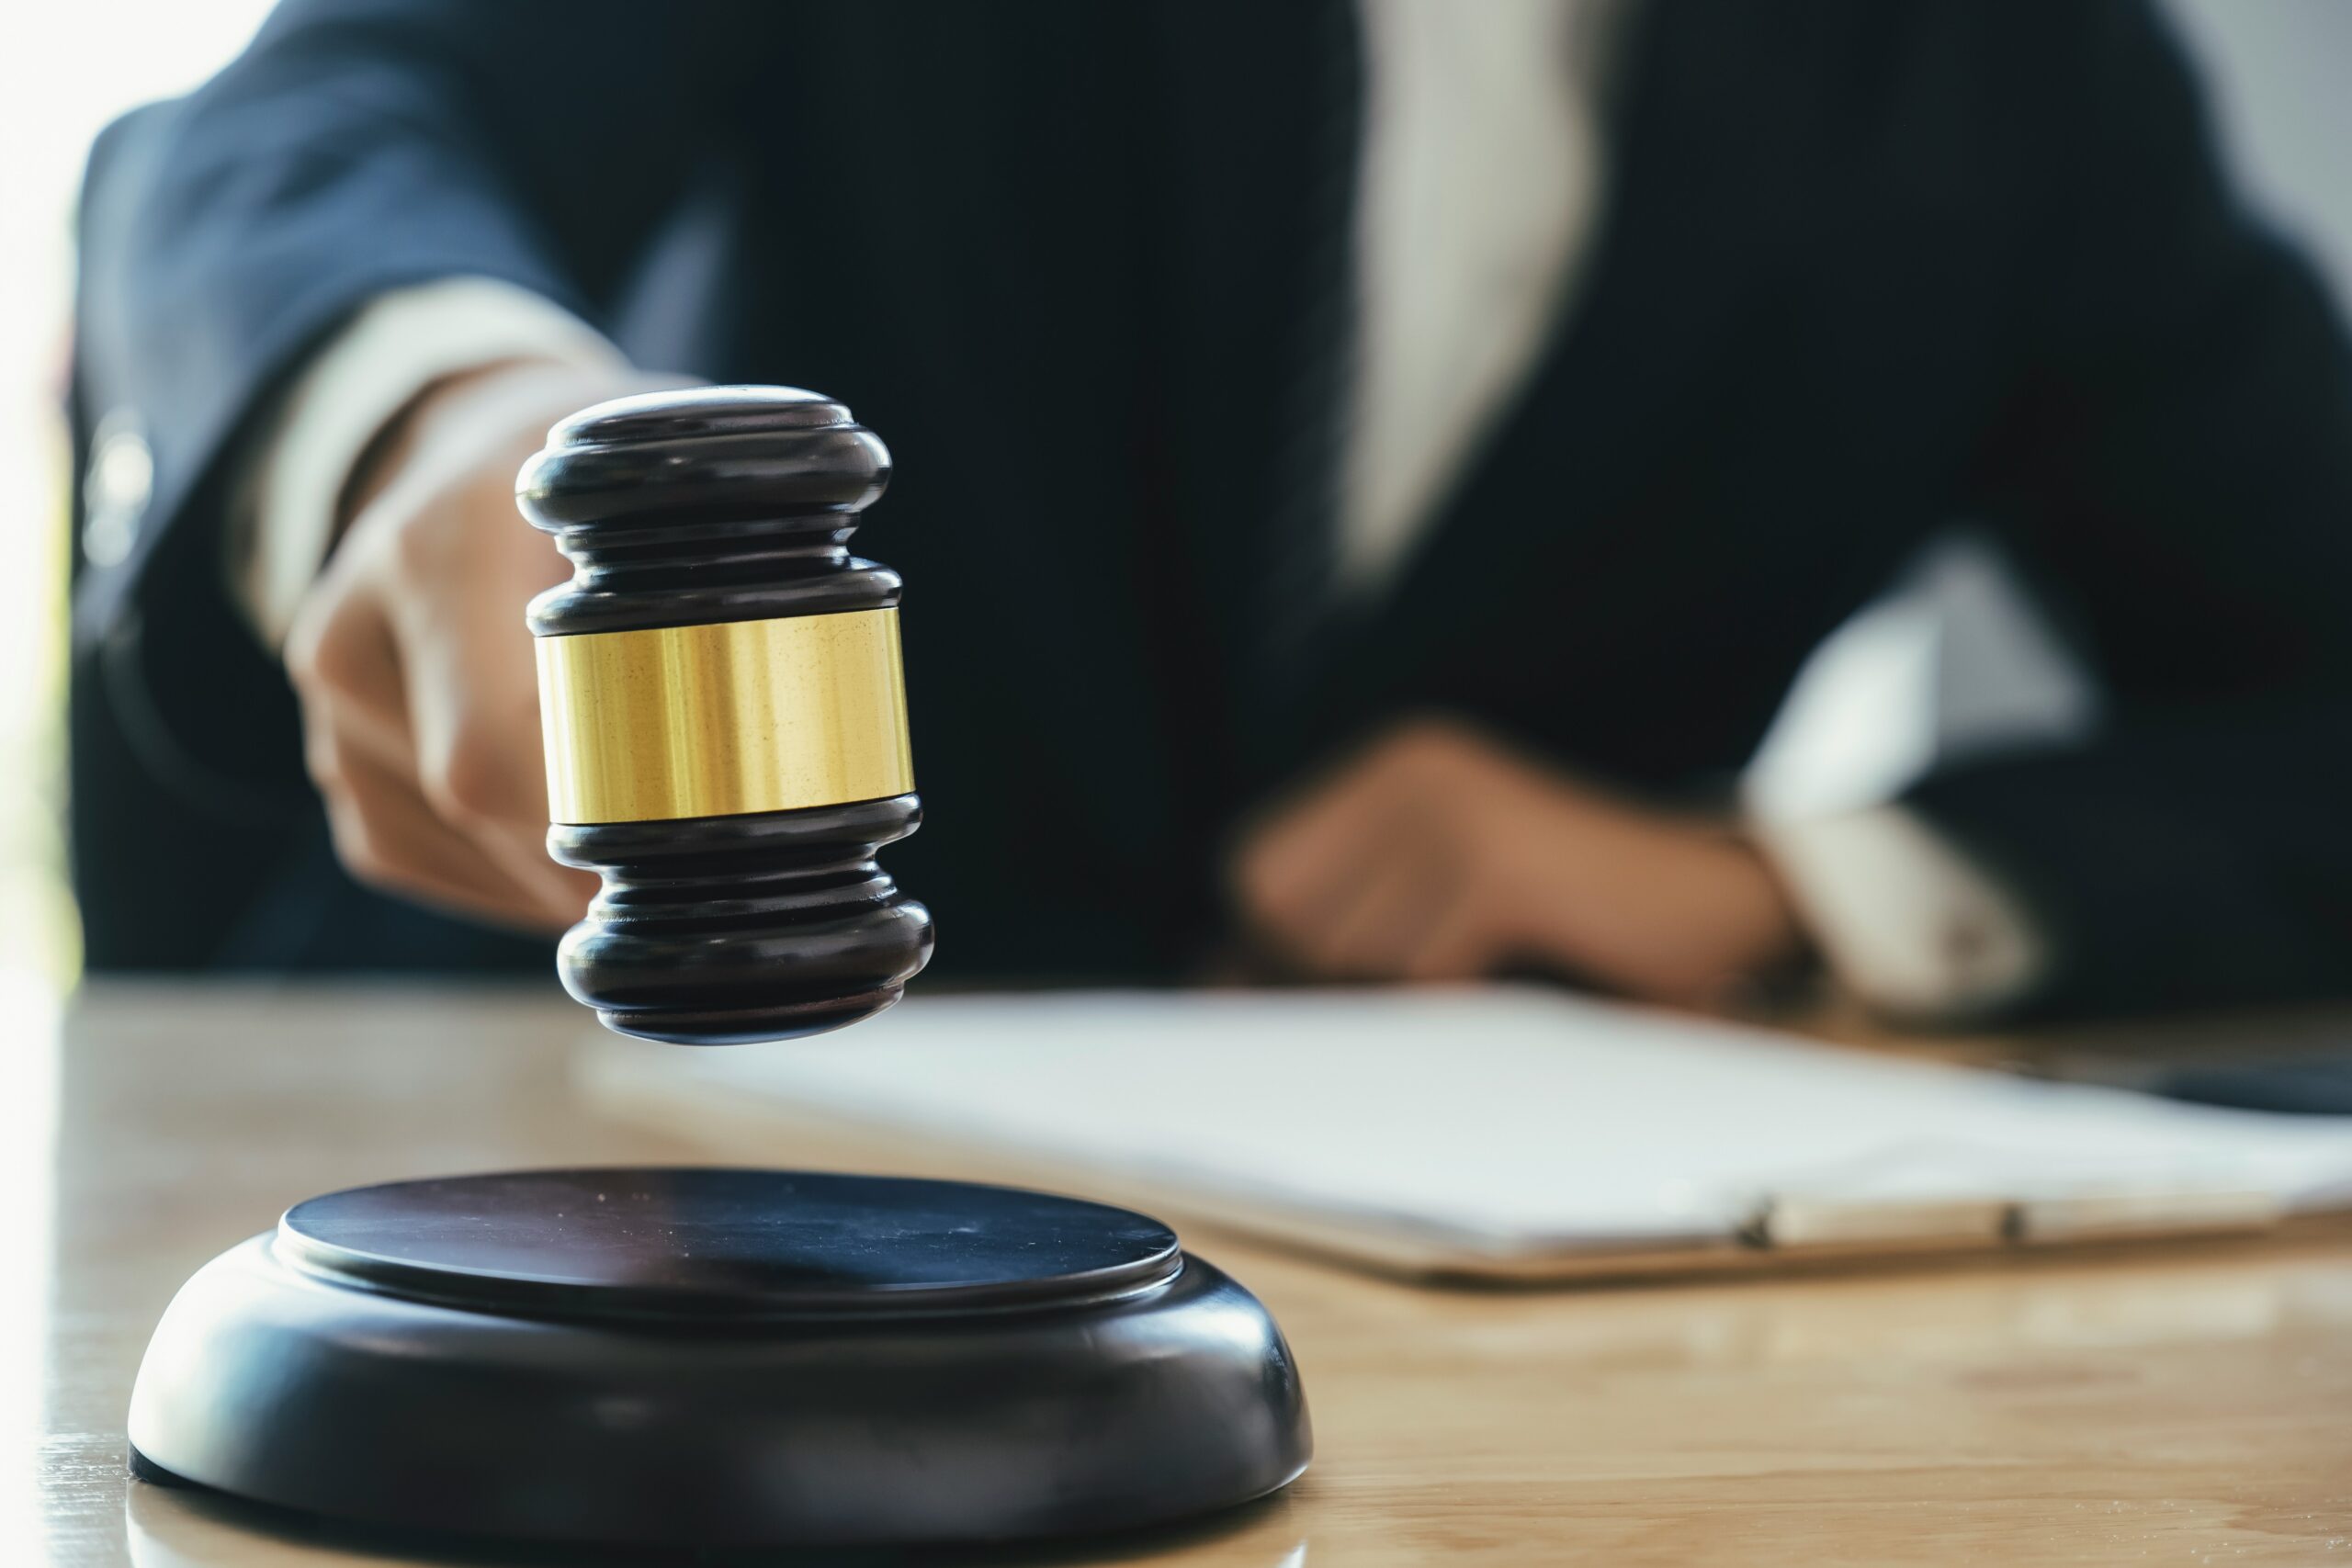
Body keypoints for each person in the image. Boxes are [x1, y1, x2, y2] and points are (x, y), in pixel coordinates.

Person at [67, 0, 2352, 1021]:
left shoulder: (2016, 74)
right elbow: (308, 117)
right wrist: (439, 412)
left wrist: (1766, 879)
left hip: (1466, 1330)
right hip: (565, 1131)